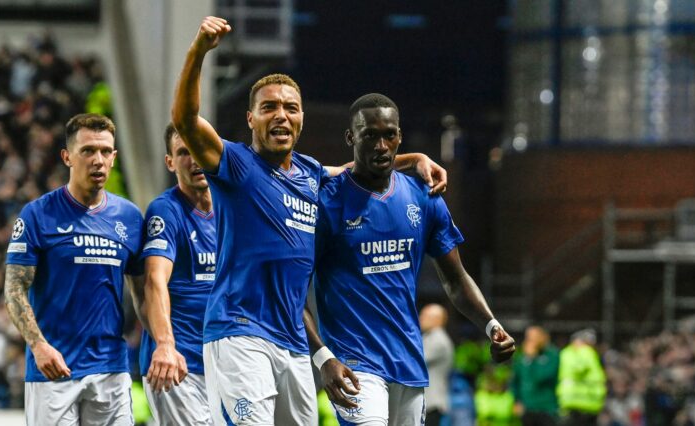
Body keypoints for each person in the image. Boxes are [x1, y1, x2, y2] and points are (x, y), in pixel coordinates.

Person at [171, 16, 448, 425]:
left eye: (290, 107)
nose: (280, 115)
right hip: (239, 333)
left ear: (301, 119)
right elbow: (185, 121)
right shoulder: (235, 163)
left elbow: (358, 168)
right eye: (269, 108)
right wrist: (197, 52)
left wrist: (415, 159)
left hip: (294, 342)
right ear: (251, 119)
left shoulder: (310, 173)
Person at [307, 93, 516, 425]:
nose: (381, 145)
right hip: (354, 364)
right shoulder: (325, 202)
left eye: (389, 134)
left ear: (399, 137)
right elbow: (292, 291)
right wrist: (323, 357)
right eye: (369, 135)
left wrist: (491, 325)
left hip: (408, 364)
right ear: (351, 138)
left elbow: (456, 278)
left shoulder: (424, 197)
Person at [4, 113, 144, 425]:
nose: (98, 160)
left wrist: (161, 344)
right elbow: (14, 289)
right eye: (88, 151)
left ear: (114, 157)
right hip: (53, 370)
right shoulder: (38, 215)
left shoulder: (130, 218)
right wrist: (39, 346)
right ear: (68, 157)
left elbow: (144, 293)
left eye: (106, 151)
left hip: (111, 368)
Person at [137, 123, 217, 425]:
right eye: (184, 152)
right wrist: (166, 345)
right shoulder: (166, 211)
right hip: (179, 365)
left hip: (225, 363)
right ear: (170, 162)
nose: (195, 160)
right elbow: (155, 280)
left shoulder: (230, 208)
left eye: (199, 149)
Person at [511, 325, 560, 426]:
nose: (530, 340)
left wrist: (532, 358)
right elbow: (515, 381)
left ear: (543, 337)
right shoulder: (521, 358)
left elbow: (543, 377)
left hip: (547, 408)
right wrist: (516, 400)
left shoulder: (552, 355)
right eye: (528, 336)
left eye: (533, 336)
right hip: (527, 408)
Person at [556, 328, 606, 426]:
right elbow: (580, 368)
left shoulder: (564, 353)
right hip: (585, 401)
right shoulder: (586, 352)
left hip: (571, 402)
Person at [420, 304, 455, 426]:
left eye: (425, 315)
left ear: (437, 319)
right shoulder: (429, 337)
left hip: (431, 403)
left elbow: (416, 360)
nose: (420, 318)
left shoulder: (438, 339)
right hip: (427, 402)